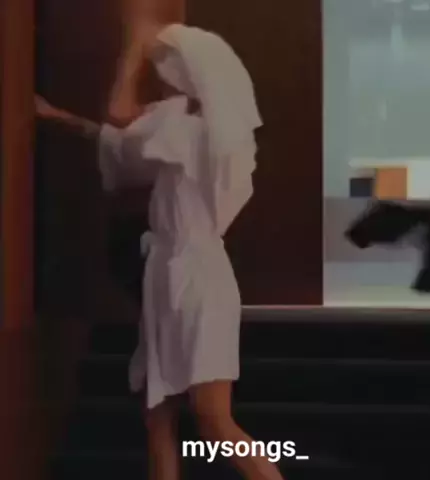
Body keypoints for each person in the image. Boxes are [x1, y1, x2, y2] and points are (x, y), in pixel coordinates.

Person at [37, 9, 284, 480]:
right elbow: (118, 141)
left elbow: (118, 118)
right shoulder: (203, 135)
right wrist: (58, 117)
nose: (165, 77)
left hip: (194, 281)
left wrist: (133, 50)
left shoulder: (186, 131)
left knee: (212, 418)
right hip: (181, 276)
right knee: (158, 415)